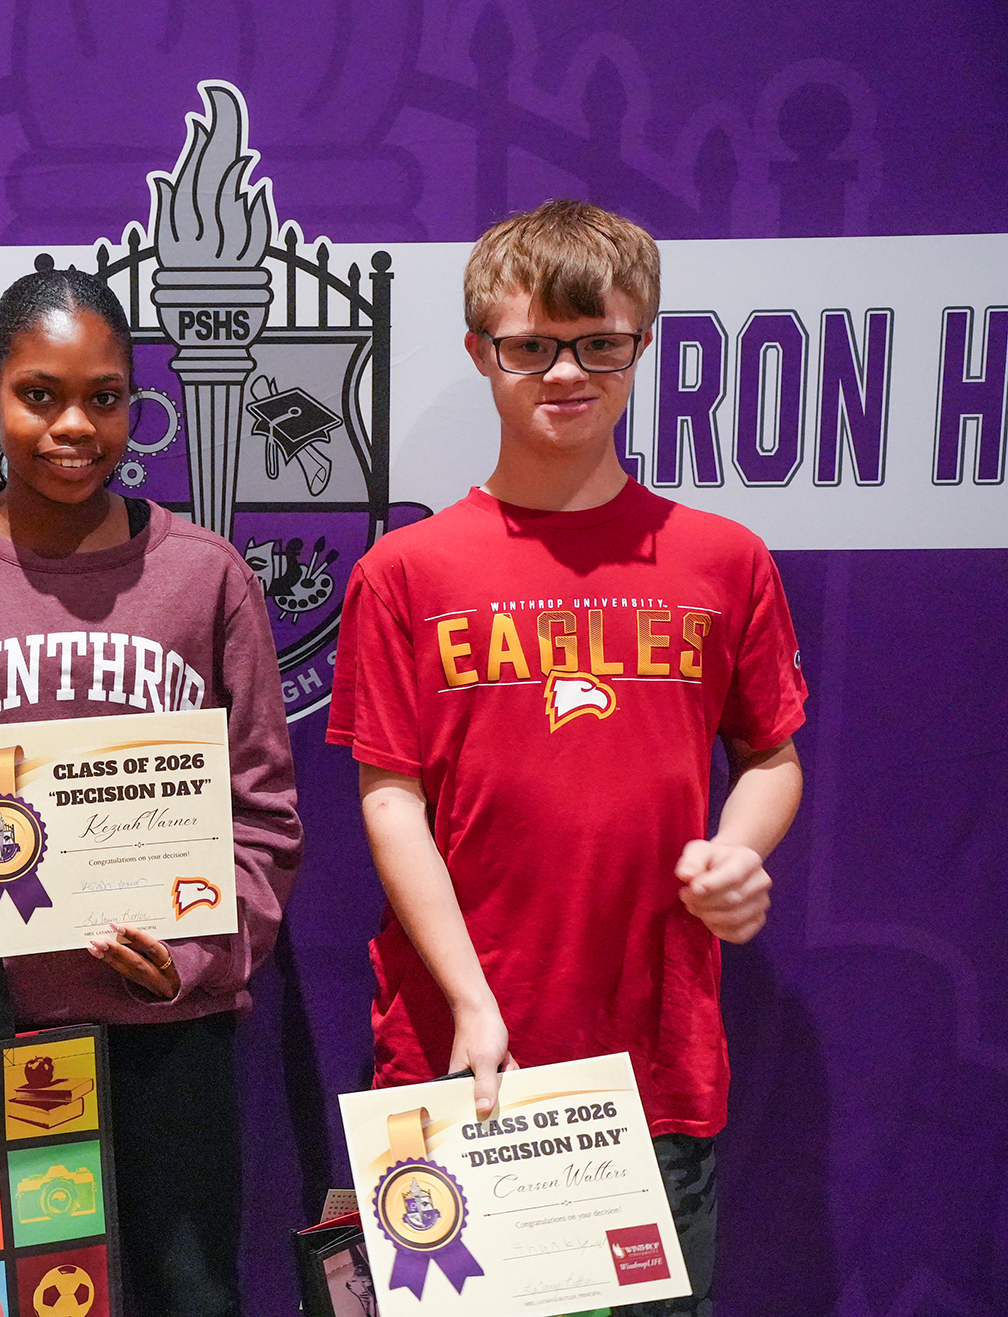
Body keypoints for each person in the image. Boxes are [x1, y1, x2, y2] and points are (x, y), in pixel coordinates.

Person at [328, 199, 806, 1315]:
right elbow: (390, 801)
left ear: (642, 345)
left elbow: (771, 758)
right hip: (463, 1064)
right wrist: (472, 1000)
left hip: (654, 1062)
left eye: (599, 344)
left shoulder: (723, 560)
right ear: (478, 353)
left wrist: (734, 854)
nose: (564, 373)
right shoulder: (405, 572)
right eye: (531, 346)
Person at [0, 262, 302, 1317]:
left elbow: (263, 815)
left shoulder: (205, 576)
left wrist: (190, 957)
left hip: (165, 1031)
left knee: (187, 1297)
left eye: (104, 397)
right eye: (39, 395)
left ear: (135, 404)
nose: (74, 426)